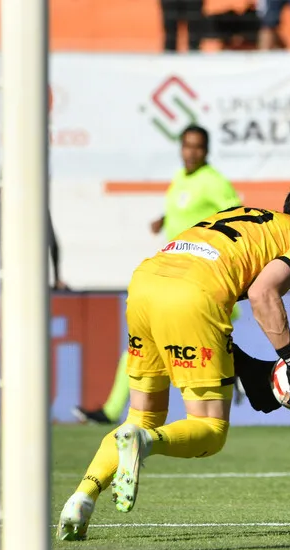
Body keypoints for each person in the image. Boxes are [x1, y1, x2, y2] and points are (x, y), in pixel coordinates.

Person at [57, 178, 290, 541]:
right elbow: (262, 292)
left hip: (145, 283)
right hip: (194, 295)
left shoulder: (245, 214)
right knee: (210, 429)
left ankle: (82, 498)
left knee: (140, 415)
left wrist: (245, 365)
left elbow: (219, 272)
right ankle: (145, 444)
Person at [74, 124, 241, 426]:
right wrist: (164, 219)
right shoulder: (181, 179)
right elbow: (189, 212)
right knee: (144, 345)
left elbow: (236, 218)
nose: (191, 152)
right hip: (174, 279)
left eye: (198, 147)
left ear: (207, 150)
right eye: (187, 146)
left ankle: (233, 374)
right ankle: (117, 412)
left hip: (198, 282)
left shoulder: (213, 182)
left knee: (156, 347)